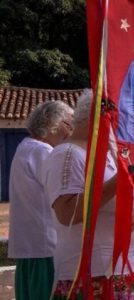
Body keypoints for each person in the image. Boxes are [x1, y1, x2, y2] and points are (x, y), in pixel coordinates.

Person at [42, 90, 134, 298]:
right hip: (97, 277)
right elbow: (67, 212)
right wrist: (120, 181)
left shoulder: (104, 153)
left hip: (123, 270)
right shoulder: (67, 154)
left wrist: (131, 204)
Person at [9, 101, 73, 299]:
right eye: (69, 123)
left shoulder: (25, 148)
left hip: (32, 245)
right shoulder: (42, 152)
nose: (71, 129)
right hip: (45, 246)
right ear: (56, 123)